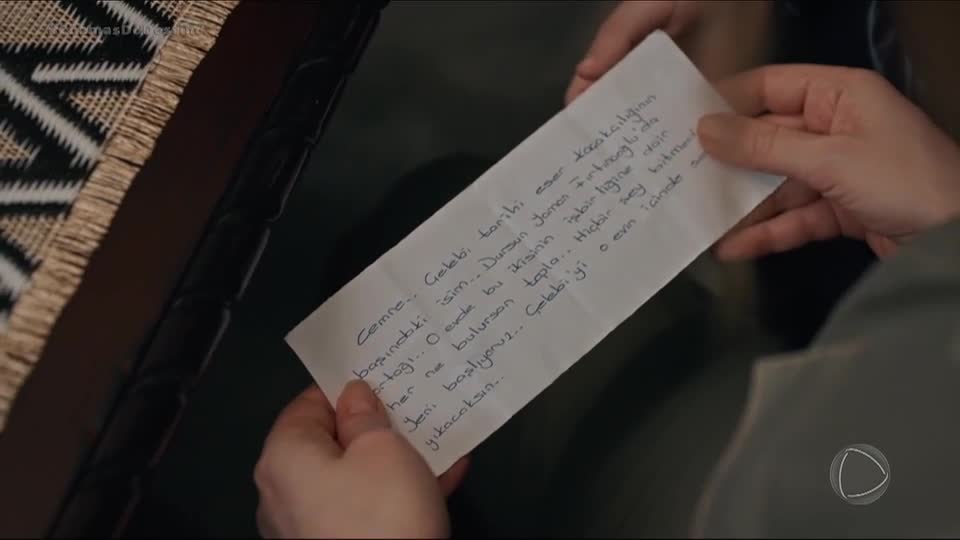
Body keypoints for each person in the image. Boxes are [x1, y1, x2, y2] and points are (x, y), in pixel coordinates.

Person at [255, 5, 960, 539]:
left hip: (804, 483)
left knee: (417, 212)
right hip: (865, 437)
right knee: (428, 206)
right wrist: (947, 227)